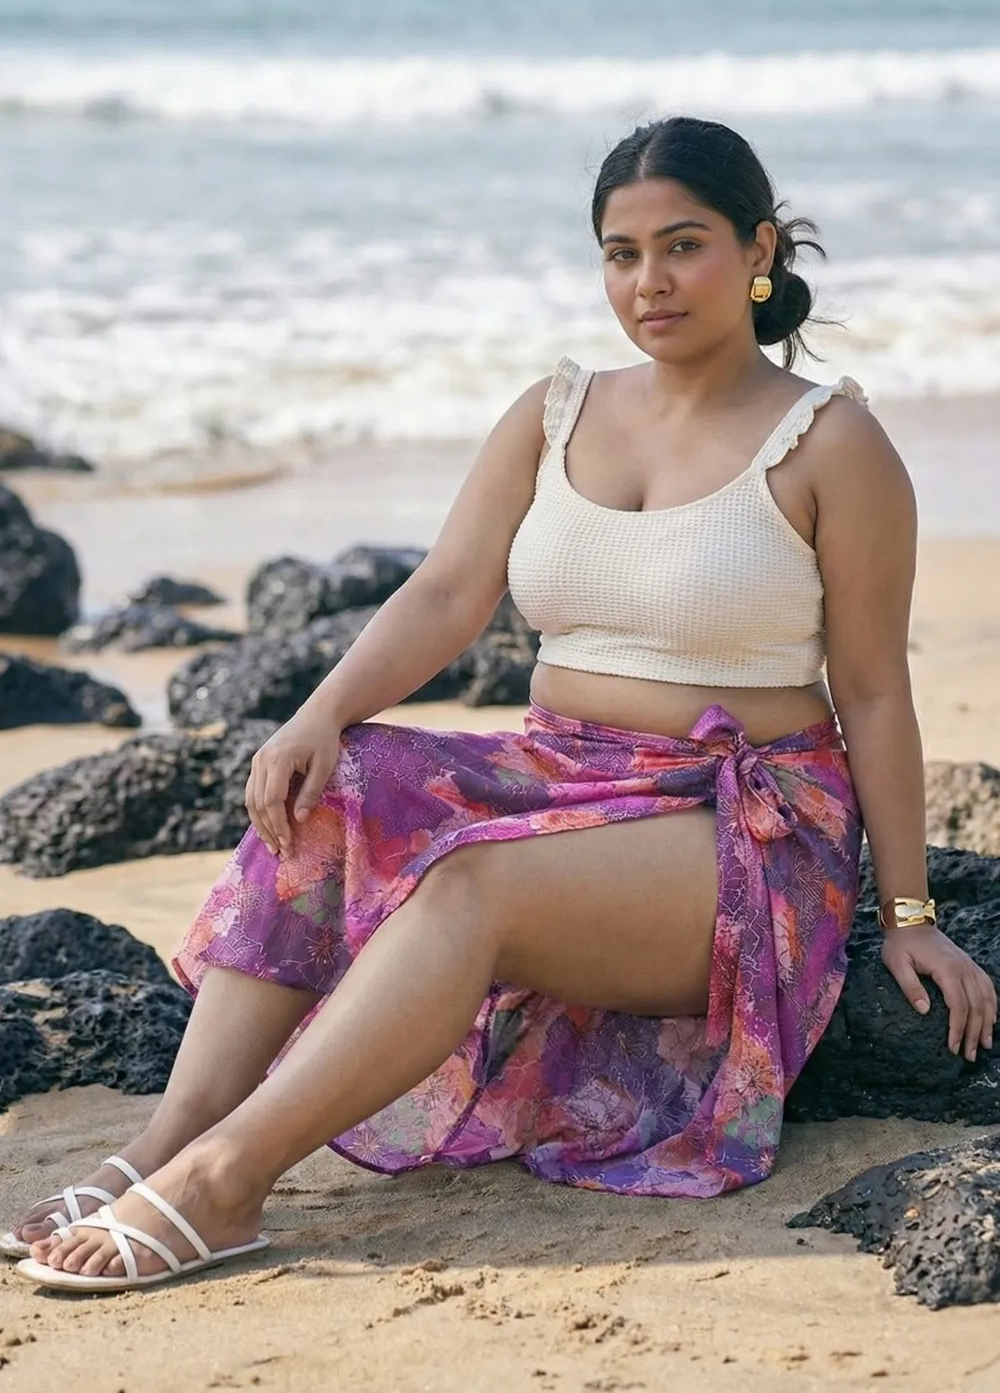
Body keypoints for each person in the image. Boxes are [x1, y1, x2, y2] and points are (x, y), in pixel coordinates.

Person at [10, 114, 996, 1294]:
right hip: (561, 768)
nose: (649, 282)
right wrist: (319, 715)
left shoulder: (834, 443)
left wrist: (909, 912)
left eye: (681, 245)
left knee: (469, 881)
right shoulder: (556, 408)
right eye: (620, 253)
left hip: (744, 824)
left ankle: (228, 1185)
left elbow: (877, 694)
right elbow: (445, 593)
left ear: (758, 249)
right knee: (349, 786)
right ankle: (163, 1146)